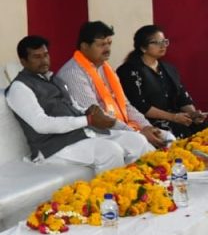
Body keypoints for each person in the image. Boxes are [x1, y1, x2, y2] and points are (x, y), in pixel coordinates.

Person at [6, 35, 152, 174]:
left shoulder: (53, 79)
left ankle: (140, 186)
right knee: (110, 151)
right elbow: (41, 124)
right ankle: (110, 191)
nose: (44, 60)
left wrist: (90, 112)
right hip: (53, 147)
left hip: (81, 135)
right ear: (23, 61)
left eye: (45, 55)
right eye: (37, 57)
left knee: (136, 140)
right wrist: (88, 120)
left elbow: (74, 106)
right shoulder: (19, 88)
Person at [57, 21, 169, 149]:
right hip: (97, 133)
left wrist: (146, 127)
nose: (107, 49)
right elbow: (97, 117)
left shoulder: (105, 68)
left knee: (167, 137)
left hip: (122, 128)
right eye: (101, 44)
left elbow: (126, 105)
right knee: (141, 142)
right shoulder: (73, 74)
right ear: (84, 46)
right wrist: (137, 133)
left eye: (109, 43)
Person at [116, 25, 207, 139]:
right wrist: (173, 117)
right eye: (156, 42)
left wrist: (193, 114)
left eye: (164, 41)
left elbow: (182, 98)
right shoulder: (129, 71)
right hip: (149, 121)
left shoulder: (169, 68)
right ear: (143, 48)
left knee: (203, 128)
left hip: (176, 117)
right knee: (179, 131)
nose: (163, 45)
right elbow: (140, 106)